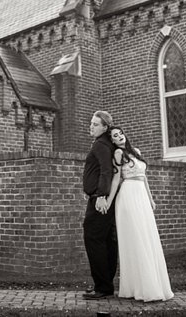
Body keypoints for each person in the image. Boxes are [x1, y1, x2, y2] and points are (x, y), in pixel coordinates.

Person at [105, 126, 174, 302]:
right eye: (115, 136)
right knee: (135, 238)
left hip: (141, 196)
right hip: (127, 196)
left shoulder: (136, 151)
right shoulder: (118, 154)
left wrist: (151, 199)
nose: (119, 136)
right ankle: (139, 287)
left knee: (147, 236)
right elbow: (116, 179)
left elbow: (144, 178)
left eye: (120, 133)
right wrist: (109, 201)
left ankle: (153, 284)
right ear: (112, 141)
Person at [81, 110, 119, 299]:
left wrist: (101, 196)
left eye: (95, 124)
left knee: (94, 240)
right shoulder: (106, 144)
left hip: (100, 200)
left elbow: (106, 171)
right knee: (106, 242)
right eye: (91, 123)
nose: (91, 126)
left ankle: (102, 287)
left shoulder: (101, 145)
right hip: (102, 198)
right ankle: (105, 285)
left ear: (105, 127)